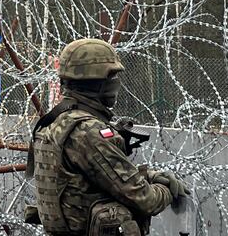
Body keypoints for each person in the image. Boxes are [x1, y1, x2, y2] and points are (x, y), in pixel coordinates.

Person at [28, 38, 188, 236]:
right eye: (111, 77)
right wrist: (166, 189)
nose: (116, 83)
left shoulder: (53, 122)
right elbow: (145, 200)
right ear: (96, 82)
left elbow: (93, 180)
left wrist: (149, 175)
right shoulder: (88, 132)